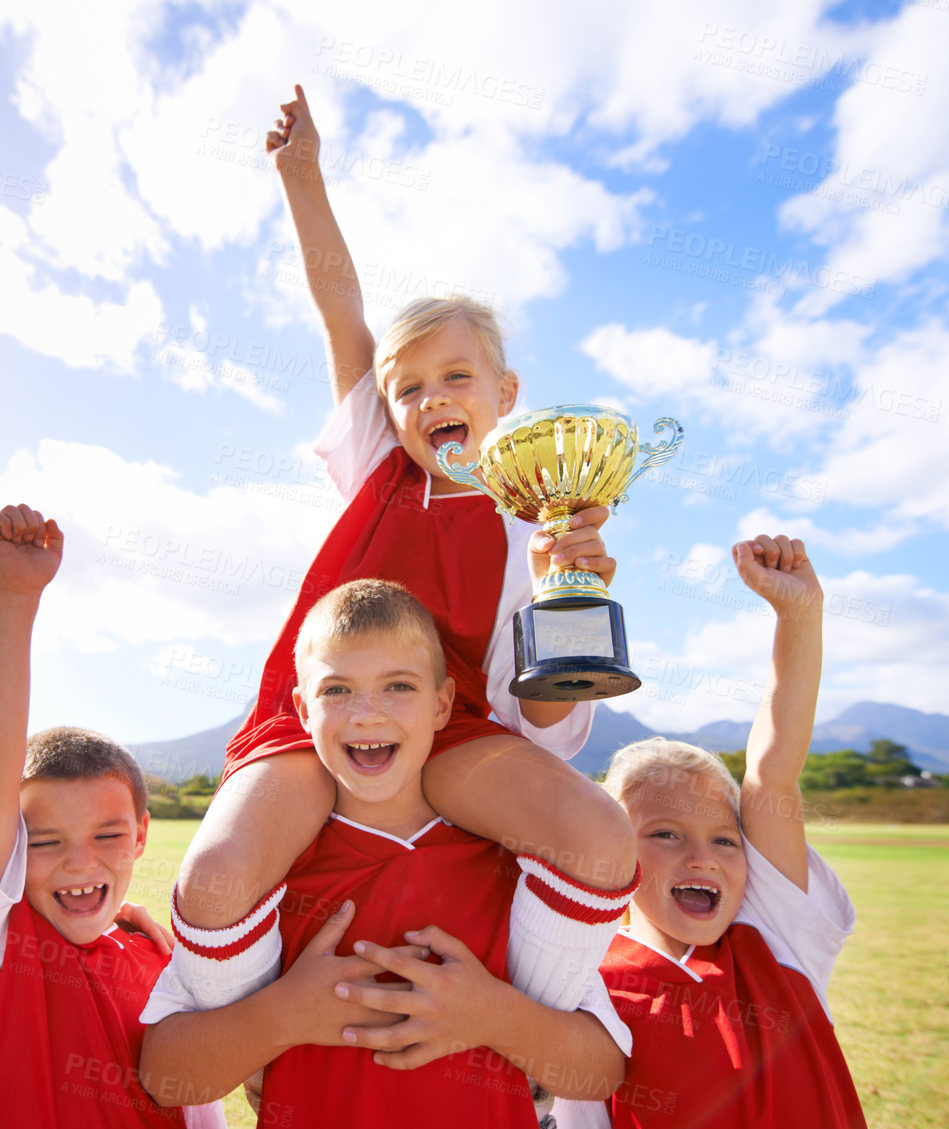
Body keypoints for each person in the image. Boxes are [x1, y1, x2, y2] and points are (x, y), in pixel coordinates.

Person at [171, 83, 637, 1031]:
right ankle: (260, 1042)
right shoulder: (380, 463)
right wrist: (303, 176)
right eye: (408, 387)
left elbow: (543, 718)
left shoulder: (541, 523)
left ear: (505, 391)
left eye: (454, 378)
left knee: (600, 839)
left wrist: (570, 598)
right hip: (318, 722)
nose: (430, 402)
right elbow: (340, 302)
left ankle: (518, 1036)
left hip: (459, 730)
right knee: (216, 880)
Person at [142, 578, 631, 1129]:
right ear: (300, 708)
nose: (366, 712)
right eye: (337, 689)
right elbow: (165, 1075)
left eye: (398, 686)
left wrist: (494, 1016)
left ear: (442, 703)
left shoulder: (513, 865)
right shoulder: (271, 874)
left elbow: (601, 1071)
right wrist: (279, 1016)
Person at [0, 505, 238, 1129]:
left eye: (108, 836)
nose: (81, 864)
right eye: (46, 842)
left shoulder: (156, 959)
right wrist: (17, 599)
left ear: (143, 834)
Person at [549, 535, 893, 1129]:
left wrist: (798, 617)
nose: (701, 856)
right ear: (615, 852)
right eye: (664, 834)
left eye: (722, 839)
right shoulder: (587, 992)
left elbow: (770, 777)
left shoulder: (777, 938)